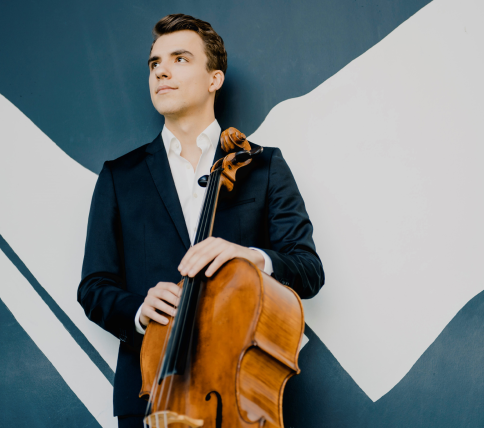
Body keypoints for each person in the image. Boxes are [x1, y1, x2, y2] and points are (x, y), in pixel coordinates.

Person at [77, 14, 324, 428]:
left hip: (242, 393)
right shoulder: (120, 177)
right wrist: (138, 309)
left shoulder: (263, 167)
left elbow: (308, 269)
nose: (162, 71)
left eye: (180, 59)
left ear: (214, 79)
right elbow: (94, 286)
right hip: (151, 393)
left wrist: (250, 257)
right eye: (155, 63)